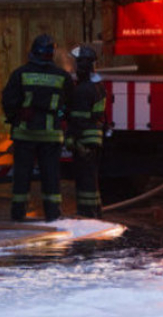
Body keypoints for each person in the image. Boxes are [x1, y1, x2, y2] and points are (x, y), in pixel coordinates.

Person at [1, 34, 74, 222]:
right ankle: (53, 216)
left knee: (21, 179)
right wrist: (60, 117)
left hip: (25, 135)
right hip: (51, 137)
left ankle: (17, 217)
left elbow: (8, 102)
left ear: (33, 52)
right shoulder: (62, 77)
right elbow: (70, 105)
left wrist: (16, 116)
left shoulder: (20, 74)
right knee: (51, 178)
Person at [66, 45, 107, 218]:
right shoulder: (98, 87)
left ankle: (87, 213)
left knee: (85, 181)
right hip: (94, 138)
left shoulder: (82, 90)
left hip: (84, 141)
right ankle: (94, 210)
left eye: (76, 64)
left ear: (83, 66)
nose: (74, 68)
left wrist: (70, 138)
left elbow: (78, 120)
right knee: (91, 178)